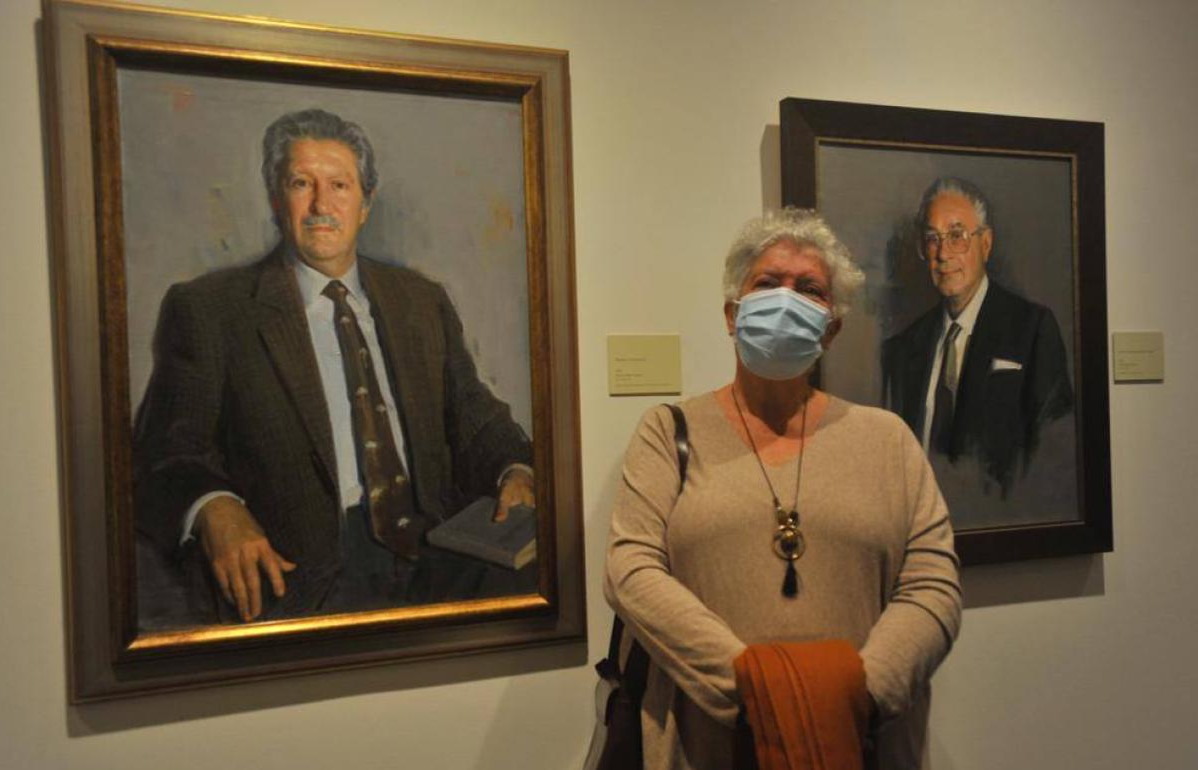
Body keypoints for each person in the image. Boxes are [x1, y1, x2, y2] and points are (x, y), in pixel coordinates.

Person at [133, 108, 535, 624]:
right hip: (300, 572)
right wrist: (213, 505)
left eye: (339, 186)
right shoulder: (211, 310)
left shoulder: (420, 300)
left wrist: (516, 469)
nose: (322, 205)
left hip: (438, 551)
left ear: (365, 204)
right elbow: (166, 451)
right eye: (302, 183)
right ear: (276, 199)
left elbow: (476, 417)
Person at [604, 208, 961, 769]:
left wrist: (856, 695)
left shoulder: (887, 439)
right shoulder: (668, 432)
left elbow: (933, 584)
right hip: (707, 746)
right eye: (767, 283)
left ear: (831, 328)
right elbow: (631, 572)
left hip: (859, 742)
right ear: (732, 314)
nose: (785, 299)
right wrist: (760, 690)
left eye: (809, 289)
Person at [881, 178, 1073, 495]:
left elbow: (1055, 453)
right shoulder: (902, 349)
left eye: (957, 236)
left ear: (986, 243)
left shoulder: (1031, 328)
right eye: (932, 239)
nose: (943, 253)